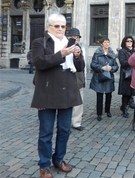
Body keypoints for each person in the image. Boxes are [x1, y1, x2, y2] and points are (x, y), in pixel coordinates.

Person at [31, 13, 84, 178]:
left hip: (67, 91)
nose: (60, 29)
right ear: (49, 27)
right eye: (57, 26)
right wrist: (62, 54)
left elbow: (80, 67)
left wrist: (77, 56)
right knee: (46, 131)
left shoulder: (70, 42)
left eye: (63, 26)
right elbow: (39, 62)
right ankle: (44, 164)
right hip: (46, 91)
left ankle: (59, 159)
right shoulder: (39, 42)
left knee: (64, 130)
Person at [90, 37, 119, 121]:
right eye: (105, 42)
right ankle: (99, 113)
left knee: (109, 95)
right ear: (101, 44)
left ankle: (108, 110)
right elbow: (93, 64)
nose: (107, 44)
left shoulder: (112, 53)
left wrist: (111, 68)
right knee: (99, 96)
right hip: (99, 77)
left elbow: (116, 66)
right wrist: (101, 67)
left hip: (109, 77)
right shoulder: (97, 53)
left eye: (108, 42)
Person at [66, 28, 86, 131]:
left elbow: (82, 67)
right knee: (67, 104)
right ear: (68, 37)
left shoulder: (80, 48)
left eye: (77, 37)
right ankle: (65, 124)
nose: (76, 39)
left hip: (78, 80)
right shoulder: (64, 48)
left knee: (79, 103)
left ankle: (76, 123)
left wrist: (78, 56)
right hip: (66, 80)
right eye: (73, 37)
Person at [118, 36, 135, 118]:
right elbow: (123, 62)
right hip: (126, 74)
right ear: (124, 42)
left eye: (131, 41)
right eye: (127, 41)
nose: (129, 42)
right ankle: (124, 108)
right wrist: (132, 61)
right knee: (125, 93)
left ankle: (125, 106)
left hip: (134, 74)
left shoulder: (134, 51)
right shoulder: (122, 51)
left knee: (131, 92)